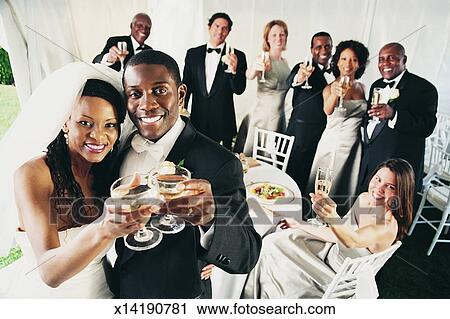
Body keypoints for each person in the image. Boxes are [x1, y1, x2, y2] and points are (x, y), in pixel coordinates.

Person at [107, 49, 261, 298]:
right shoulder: (118, 146)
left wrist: (211, 220)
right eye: (135, 94)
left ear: (180, 95)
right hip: (121, 287)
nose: (146, 104)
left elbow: (248, 253)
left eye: (159, 90)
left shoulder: (220, 163)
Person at [0, 62, 138, 298]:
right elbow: (49, 272)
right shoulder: (34, 174)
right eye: (85, 123)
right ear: (65, 122)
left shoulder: (108, 172)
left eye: (110, 125)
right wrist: (103, 228)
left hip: (103, 294)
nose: (98, 135)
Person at [243, 158, 414, 298]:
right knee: (274, 240)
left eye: (390, 186)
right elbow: (337, 235)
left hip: (335, 276)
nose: (379, 188)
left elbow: (351, 240)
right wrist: (300, 224)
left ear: (401, 192)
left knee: (274, 257)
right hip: (329, 253)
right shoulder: (365, 199)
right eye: (378, 179)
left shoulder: (386, 227)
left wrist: (332, 216)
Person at [358, 43, 438, 195]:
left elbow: (427, 127)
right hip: (371, 163)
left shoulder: (424, 88)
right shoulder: (377, 84)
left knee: (391, 215)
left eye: (391, 58)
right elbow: (370, 118)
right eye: (381, 59)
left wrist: (394, 114)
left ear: (404, 60)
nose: (385, 64)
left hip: (399, 169)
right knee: (366, 209)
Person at [306, 40, 369, 215]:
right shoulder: (331, 86)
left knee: (346, 184)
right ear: (337, 61)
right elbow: (327, 110)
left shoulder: (362, 87)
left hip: (354, 144)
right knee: (327, 184)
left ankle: (338, 220)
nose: (348, 64)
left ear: (360, 63)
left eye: (354, 59)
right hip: (333, 144)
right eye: (344, 59)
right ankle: (318, 217)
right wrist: (335, 93)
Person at [182, 12, 247, 150]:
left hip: (224, 123)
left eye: (225, 28)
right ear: (209, 27)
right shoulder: (193, 54)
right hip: (197, 121)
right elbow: (186, 85)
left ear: (229, 32)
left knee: (224, 166)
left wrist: (234, 70)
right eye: (217, 26)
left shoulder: (238, 56)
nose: (220, 31)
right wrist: (182, 113)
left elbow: (239, 89)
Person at [285, 32, 333, 195]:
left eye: (327, 46)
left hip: (322, 134)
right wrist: (300, 77)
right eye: (318, 47)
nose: (323, 50)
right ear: (311, 50)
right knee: (295, 174)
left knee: (309, 175)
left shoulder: (334, 71)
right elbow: (291, 81)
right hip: (302, 134)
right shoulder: (304, 67)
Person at [239, 20, 291, 156]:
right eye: (274, 35)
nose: (278, 38)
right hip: (262, 116)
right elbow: (249, 75)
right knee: (255, 157)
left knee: (274, 158)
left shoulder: (285, 62)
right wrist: (255, 68)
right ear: (267, 38)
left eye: (282, 34)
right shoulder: (262, 59)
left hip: (280, 116)